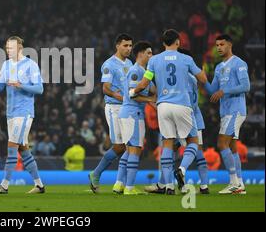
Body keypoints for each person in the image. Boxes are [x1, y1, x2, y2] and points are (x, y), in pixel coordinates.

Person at [132, 29, 209, 195]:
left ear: (163, 43)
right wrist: (202, 72)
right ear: (178, 42)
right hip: (182, 105)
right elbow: (202, 79)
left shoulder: (154, 60)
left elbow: (144, 82)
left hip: (163, 106)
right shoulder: (186, 59)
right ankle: (182, 169)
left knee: (167, 142)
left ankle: (168, 186)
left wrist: (133, 92)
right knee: (193, 142)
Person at [0, 36, 45, 194]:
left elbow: (40, 89)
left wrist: (21, 85)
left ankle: (4, 185)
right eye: (6, 48)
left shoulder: (30, 65)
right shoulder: (6, 65)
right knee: (23, 149)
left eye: (11, 48)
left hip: (24, 112)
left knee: (12, 146)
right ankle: (39, 185)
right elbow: (0, 90)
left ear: (20, 48)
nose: (8, 50)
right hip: (10, 113)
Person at [89, 33, 133, 194]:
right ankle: (96, 174)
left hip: (128, 108)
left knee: (129, 146)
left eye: (130, 46)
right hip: (114, 108)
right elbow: (105, 88)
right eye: (125, 45)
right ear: (117, 46)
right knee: (120, 146)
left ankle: (120, 184)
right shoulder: (109, 64)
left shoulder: (130, 63)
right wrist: (119, 96)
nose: (128, 49)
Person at [206, 34, 250, 194]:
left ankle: (234, 183)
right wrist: (202, 80)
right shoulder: (218, 67)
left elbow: (246, 86)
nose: (219, 47)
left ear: (230, 45)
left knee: (221, 143)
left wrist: (224, 91)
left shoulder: (239, 63)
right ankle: (240, 184)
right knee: (232, 147)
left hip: (236, 109)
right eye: (217, 45)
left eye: (222, 44)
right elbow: (213, 91)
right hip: (226, 111)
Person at [118, 41, 155, 195]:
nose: (151, 56)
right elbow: (132, 94)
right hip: (133, 113)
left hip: (130, 114)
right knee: (136, 149)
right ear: (140, 54)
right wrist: (150, 101)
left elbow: (153, 90)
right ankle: (130, 188)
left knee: (129, 149)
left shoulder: (145, 72)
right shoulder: (135, 71)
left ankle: (119, 184)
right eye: (149, 53)